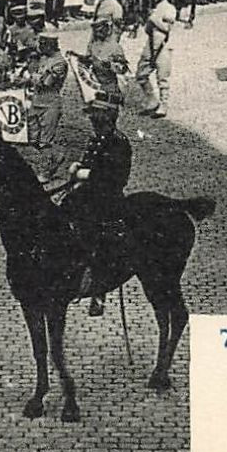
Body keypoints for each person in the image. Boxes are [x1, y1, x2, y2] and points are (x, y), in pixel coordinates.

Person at [60, 101, 133, 315]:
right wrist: (79, 167)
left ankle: (98, 289)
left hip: (107, 199)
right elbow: (90, 161)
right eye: (93, 120)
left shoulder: (118, 142)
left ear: (107, 120)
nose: (93, 123)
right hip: (86, 194)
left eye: (96, 119)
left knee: (92, 236)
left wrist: (88, 175)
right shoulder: (97, 138)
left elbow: (117, 178)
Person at [24, 27, 69, 148]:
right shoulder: (43, 58)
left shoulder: (60, 63)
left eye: (42, 44)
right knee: (32, 138)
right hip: (36, 101)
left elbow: (47, 82)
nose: (40, 47)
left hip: (50, 104)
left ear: (50, 45)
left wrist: (30, 78)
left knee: (45, 142)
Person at [136, 0, 175, 119]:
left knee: (162, 77)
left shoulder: (169, 8)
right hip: (150, 44)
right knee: (141, 74)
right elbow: (147, 29)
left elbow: (167, 28)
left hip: (163, 45)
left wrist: (154, 19)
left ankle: (163, 105)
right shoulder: (155, 8)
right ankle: (151, 100)